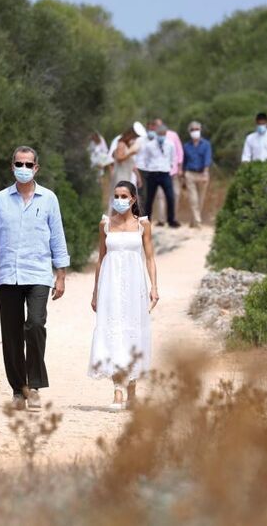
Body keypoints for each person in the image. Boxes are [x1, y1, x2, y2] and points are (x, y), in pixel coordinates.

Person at [0, 146, 70, 411]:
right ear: (12, 166)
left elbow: (58, 238)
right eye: (19, 163)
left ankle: (35, 385)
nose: (23, 169)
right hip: (8, 276)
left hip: (38, 274)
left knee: (35, 325)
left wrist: (60, 275)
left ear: (36, 168)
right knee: (12, 334)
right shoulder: (0, 200)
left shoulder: (49, 199)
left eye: (28, 164)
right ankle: (19, 389)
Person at [89, 180, 157, 409]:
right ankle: (118, 390)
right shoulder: (105, 224)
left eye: (123, 196)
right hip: (111, 284)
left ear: (133, 199)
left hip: (135, 284)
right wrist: (95, 291)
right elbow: (100, 258)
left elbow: (149, 258)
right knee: (114, 333)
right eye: (115, 196)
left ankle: (132, 389)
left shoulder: (143, 225)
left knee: (134, 332)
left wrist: (154, 288)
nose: (119, 200)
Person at [141, 123, 180, 228]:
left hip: (165, 173)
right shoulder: (149, 145)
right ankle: (146, 220)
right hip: (153, 173)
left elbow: (173, 157)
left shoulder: (170, 144)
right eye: (160, 134)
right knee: (149, 198)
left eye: (163, 134)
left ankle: (171, 220)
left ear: (166, 134)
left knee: (170, 197)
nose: (161, 136)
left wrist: (170, 167)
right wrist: (148, 168)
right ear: (157, 134)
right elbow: (145, 158)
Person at [152, 118, 184, 226]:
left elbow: (179, 151)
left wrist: (179, 168)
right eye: (156, 126)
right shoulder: (153, 138)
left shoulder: (173, 135)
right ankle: (161, 220)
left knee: (175, 195)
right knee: (160, 196)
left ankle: (173, 218)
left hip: (173, 172)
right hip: (159, 172)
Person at [108, 122, 146, 213]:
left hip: (126, 175)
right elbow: (119, 158)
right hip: (120, 175)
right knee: (119, 199)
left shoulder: (128, 145)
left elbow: (131, 164)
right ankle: (114, 221)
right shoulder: (121, 144)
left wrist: (138, 176)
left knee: (124, 200)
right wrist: (130, 153)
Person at [182, 121, 213, 228]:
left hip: (202, 173)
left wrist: (205, 172)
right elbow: (184, 161)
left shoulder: (206, 144)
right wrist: (183, 176)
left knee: (201, 199)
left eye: (197, 129)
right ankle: (198, 221)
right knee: (193, 199)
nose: (195, 131)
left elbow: (207, 159)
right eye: (192, 130)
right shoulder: (186, 146)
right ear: (189, 132)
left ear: (200, 130)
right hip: (190, 174)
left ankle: (193, 221)